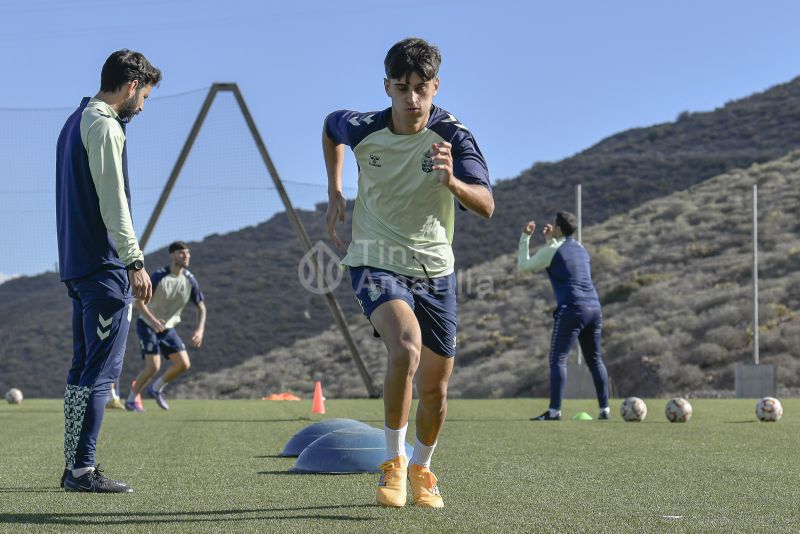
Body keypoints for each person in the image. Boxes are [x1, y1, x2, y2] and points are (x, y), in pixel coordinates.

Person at [322, 37, 494, 508]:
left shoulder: (455, 137)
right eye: (402, 88)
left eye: (422, 88)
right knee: (405, 346)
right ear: (388, 87)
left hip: (435, 271)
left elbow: (487, 206)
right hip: (374, 260)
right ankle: (393, 464)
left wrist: (452, 181)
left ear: (436, 87)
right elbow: (330, 127)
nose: (412, 98)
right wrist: (336, 190)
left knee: (436, 390)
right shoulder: (363, 127)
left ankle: (422, 468)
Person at [56, 49, 161, 492]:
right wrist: (134, 260)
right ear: (133, 86)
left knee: (83, 370)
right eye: (146, 96)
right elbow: (112, 199)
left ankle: (73, 467)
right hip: (103, 267)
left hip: (77, 266)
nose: (143, 106)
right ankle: (82, 470)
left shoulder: (74, 119)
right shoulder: (104, 123)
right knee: (100, 373)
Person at [517, 211, 610, 421]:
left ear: (558, 228)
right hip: (594, 308)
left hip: (572, 308)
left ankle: (554, 411)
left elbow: (524, 266)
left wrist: (525, 237)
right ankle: (605, 409)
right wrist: (551, 240)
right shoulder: (582, 248)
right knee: (595, 360)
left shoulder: (553, 248)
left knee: (558, 359)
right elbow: (563, 260)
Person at [126, 241, 206, 411]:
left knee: (183, 364)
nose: (185, 256)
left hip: (168, 328)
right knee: (153, 366)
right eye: (181, 253)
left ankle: (156, 389)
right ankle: (131, 400)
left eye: (187, 253)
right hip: (148, 324)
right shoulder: (159, 276)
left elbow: (201, 307)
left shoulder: (190, 280)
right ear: (172, 256)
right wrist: (153, 320)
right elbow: (138, 302)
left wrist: (200, 330)